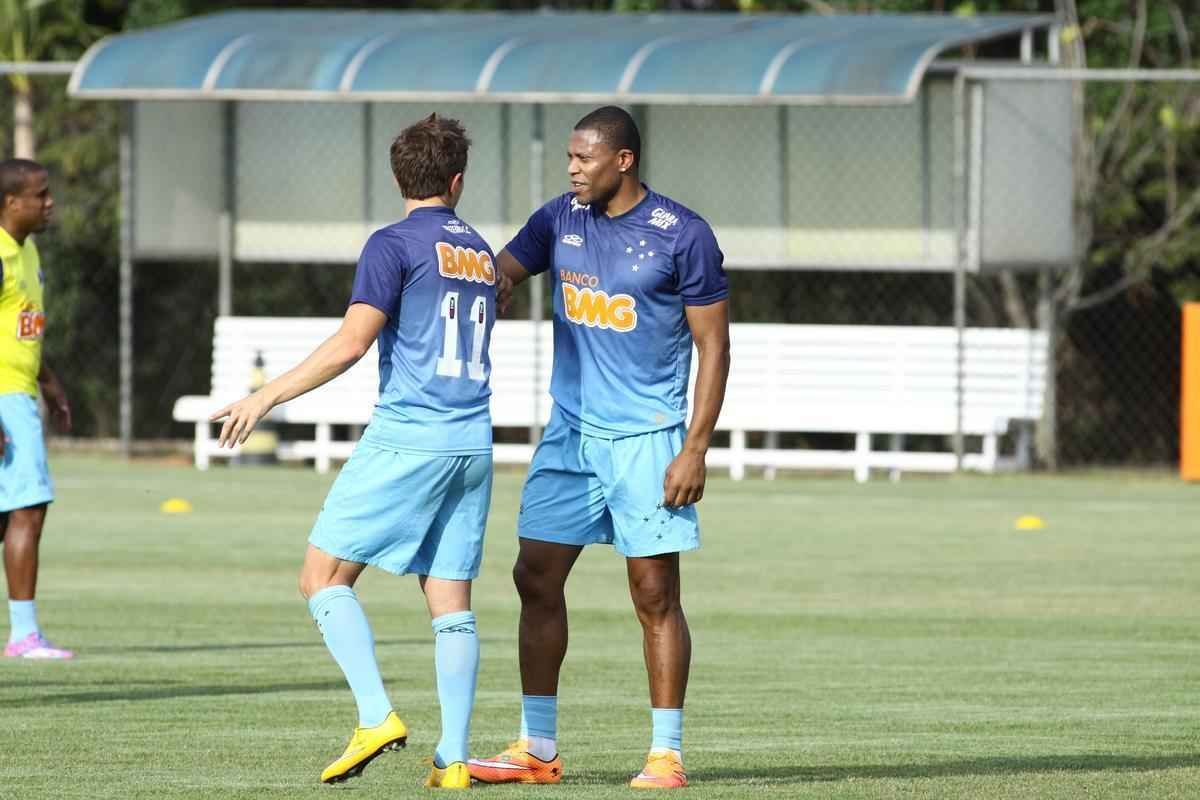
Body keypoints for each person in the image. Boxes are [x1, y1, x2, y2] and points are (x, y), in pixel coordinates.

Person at [212, 114, 508, 789]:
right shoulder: (480, 250)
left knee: (321, 577)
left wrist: (264, 397)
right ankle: (454, 760)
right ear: (457, 181)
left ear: (398, 176)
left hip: (410, 437)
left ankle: (376, 715)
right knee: (451, 602)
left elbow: (352, 343)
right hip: (471, 442)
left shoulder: (392, 243)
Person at [468, 106, 730, 790]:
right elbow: (501, 270)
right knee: (534, 576)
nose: (572, 170)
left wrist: (695, 448)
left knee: (654, 593)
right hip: (570, 435)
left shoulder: (683, 235)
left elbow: (714, 347)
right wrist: (485, 283)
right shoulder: (559, 219)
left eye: (584, 158)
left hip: (647, 438)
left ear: (623, 161)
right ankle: (537, 748)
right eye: (569, 158)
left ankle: (666, 754)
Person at [0, 159, 73, 661]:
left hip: (21, 391)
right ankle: (24, 636)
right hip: (5, 399)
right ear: (11, 202)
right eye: (40, 194)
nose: (49, 203)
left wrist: (48, 380)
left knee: (10, 515)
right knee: (28, 509)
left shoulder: (28, 252)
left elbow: (20, 329)